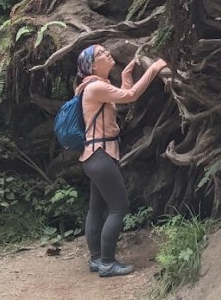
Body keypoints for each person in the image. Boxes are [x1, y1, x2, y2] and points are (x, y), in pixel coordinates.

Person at [74, 44, 167, 277]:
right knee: (119, 206)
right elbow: (132, 95)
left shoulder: (94, 87)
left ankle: (96, 260)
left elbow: (124, 95)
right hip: (101, 156)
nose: (108, 54)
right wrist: (155, 67)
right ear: (92, 66)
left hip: (93, 156)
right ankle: (107, 263)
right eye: (101, 54)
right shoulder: (95, 87)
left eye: (106, 51)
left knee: (96, 207)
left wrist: (126, 75)